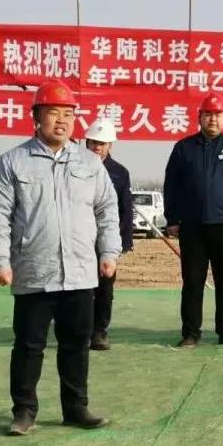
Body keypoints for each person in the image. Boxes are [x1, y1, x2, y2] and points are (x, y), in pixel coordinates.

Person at [0, 79, 122, 436]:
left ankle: (76, 408)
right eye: (53, 112)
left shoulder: (90, 163)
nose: (61, 120)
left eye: (68, 114)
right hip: (34, 271)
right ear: (36, 117)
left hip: (80, 271)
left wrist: (109, 251)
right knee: (29, 346)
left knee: (76, 345)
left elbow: (107, 210)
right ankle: (24, 412)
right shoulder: (12, 162)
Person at [163, 92, 223, 347]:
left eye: (218, 114)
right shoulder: (183, 148)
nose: (213, 119)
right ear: (199, 117)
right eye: (208, 114)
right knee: (193, 281)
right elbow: (171, 186)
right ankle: (191, 333)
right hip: (192, 226)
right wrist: (172, 218)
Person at [84, 118, 134, 351]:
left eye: (102, 143)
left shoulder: (119, 173)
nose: (97, 147)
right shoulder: (74, 166)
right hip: (79, 239)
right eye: (94, 142)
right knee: (79, 288)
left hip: (105, 240)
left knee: (104, 288)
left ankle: (99, 331)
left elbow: (125, 210)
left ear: (110, 146)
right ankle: (81, 330)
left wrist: (124, 241)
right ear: (86, 142)